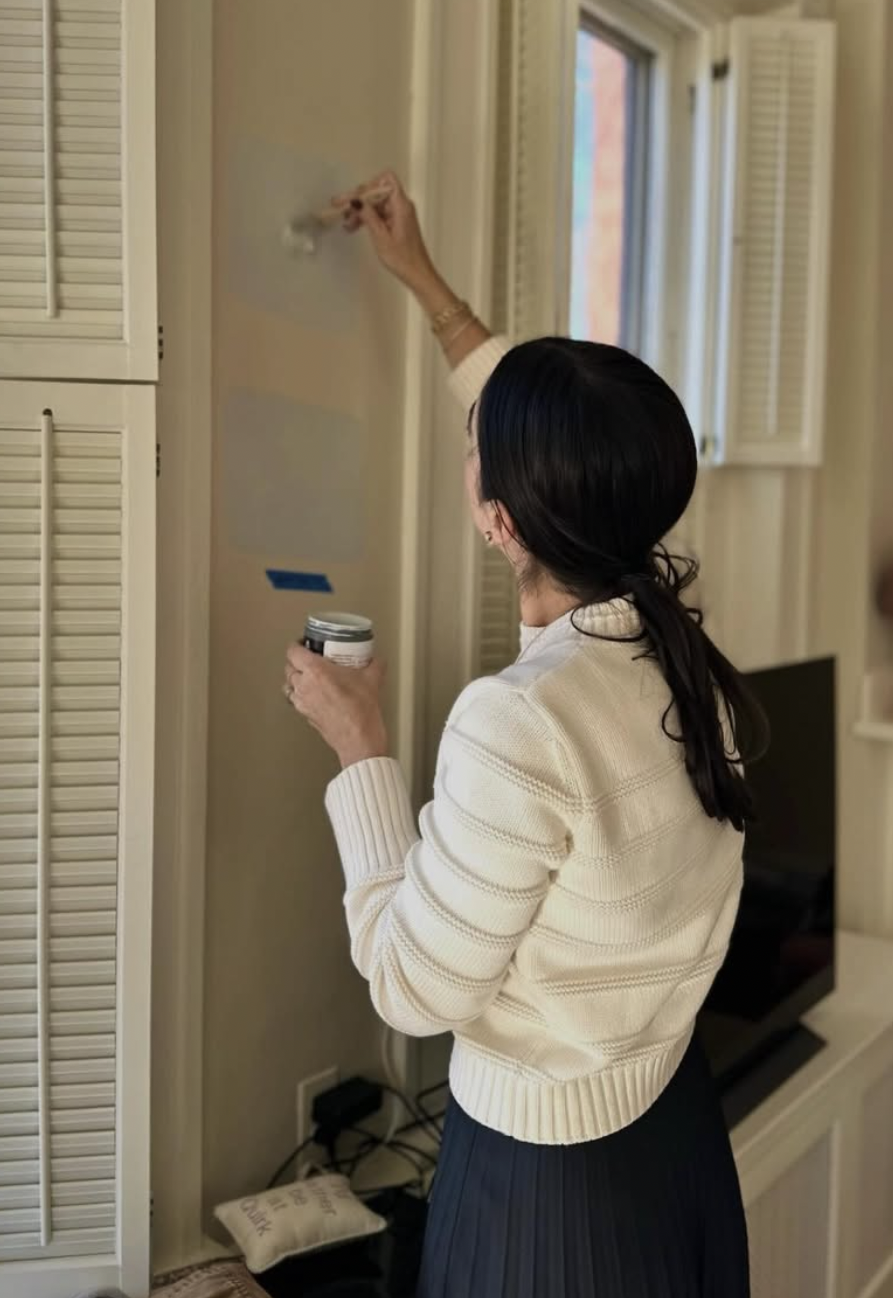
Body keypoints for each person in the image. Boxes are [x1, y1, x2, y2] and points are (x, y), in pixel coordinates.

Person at [282, 172, 760, 1297]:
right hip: (674, 1134)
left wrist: (361, 751)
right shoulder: (683, 654)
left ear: (499, 521)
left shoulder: (519, 720)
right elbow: (549, 425)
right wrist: (423, 283)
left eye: (472, 447)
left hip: (551, 1195)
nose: (470, 447)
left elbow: (412, 989)